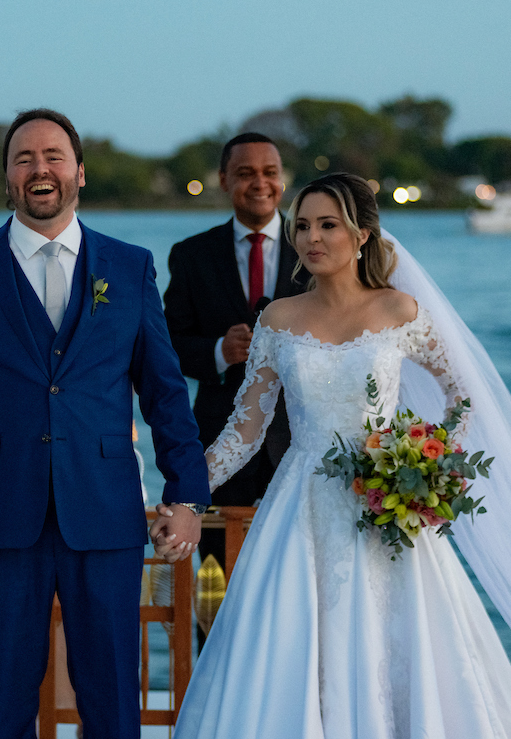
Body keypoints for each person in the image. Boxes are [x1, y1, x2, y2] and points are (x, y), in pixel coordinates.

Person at [155, 173, 511, 738]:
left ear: (362, 235)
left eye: (328, 225)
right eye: (301, 226)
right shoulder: (279, 321)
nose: (311, 238)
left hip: (386, 507)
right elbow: (244, 432)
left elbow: (463, 394)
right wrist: (188, 498)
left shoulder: (399, 310)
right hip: (302, 511)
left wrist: (430, 460)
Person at [0, 108, 210, 739]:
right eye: (24, 159)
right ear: (8, 177)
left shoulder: (130, 267)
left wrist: (186, 495)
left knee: (114, 702)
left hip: (104, 513)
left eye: (52, 157)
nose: (39, 170)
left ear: (78, 172)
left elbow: (164, 394)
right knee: (4, 700)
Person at [161, 133, 308, 645]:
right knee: (216, 595)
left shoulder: (314, 249)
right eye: (245, 173)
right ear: (224, 181)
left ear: (283, 178)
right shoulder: (191, 255)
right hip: (218, 451)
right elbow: (168, 349)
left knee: (298, 592)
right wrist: (220, 351)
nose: (259, 183)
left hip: (300, 449)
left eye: (270, 171)